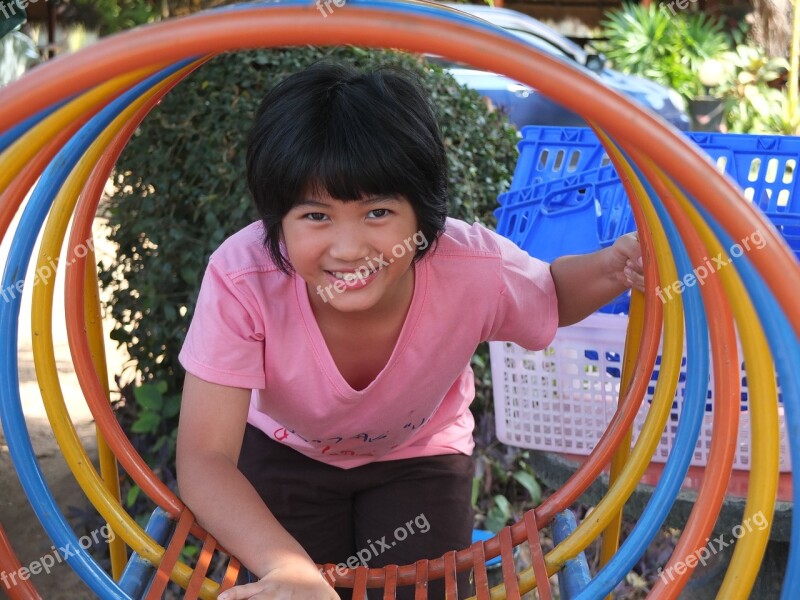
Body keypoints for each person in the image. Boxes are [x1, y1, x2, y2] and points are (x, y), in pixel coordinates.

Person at [176, 62, 645, 600]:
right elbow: (205, 457)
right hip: (287, 451)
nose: (348, 249)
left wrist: (614, 267)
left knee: (417, 590)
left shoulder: (470, 268)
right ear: (276, 219)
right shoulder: (244, 278)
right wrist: (289, 569)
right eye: (315, 216)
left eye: (377, 212)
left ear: (422, 217)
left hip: (417, 456)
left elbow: (551, 296)